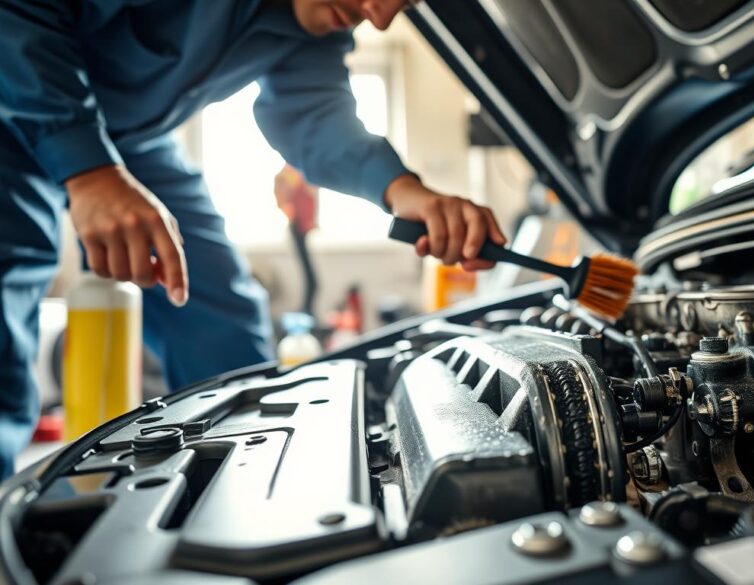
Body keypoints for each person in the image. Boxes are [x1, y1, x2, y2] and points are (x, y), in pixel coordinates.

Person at [0, 0, 507, 478]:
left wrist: (403, 191)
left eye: (406, 3)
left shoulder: (315, 21)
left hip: (128, 142)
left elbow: (313, 112)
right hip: (13, 102)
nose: (377, 17)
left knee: (227, 337)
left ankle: (243, 496)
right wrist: (87, 168)